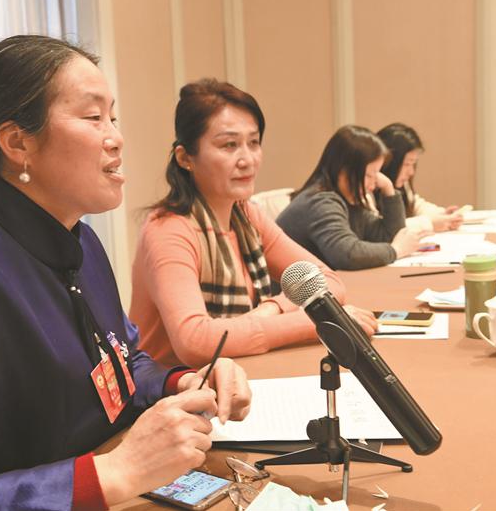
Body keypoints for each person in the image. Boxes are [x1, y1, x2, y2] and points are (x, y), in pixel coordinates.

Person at [0, 36, 252, 511]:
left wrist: (181, 384)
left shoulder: (80, 239)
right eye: (93, 117)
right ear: (17, 142)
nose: (116, 137)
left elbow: (121, 364)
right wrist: (113, 473)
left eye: (113, 117)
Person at [129, 79, 377, 369]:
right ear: (185, 158)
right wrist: (322, 322)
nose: (247, 159)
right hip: (176, 386)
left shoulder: (246, 215)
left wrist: (271, 309)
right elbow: (195, 341)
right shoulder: (168, 230)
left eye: (254, 142)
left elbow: (326, 281)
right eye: (229, 145)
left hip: (239, 371)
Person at [277, 125, 427, 270]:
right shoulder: (321, 201)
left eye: (377, 174)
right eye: (369, 175)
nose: (374, 184)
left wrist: (388, 189)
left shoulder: (346, 200)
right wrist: (395, 250)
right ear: (344, 172)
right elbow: (347, 254)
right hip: (290, 288)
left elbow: (389, 235)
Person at [374, 123, 463, 232]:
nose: (411, 172)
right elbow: (385, 228)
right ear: (389, 162)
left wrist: (442, 214)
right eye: (407, 164)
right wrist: (429, 223)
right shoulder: (368, 189)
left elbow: (415, 205)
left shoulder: (401, 185)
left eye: (413, 164)